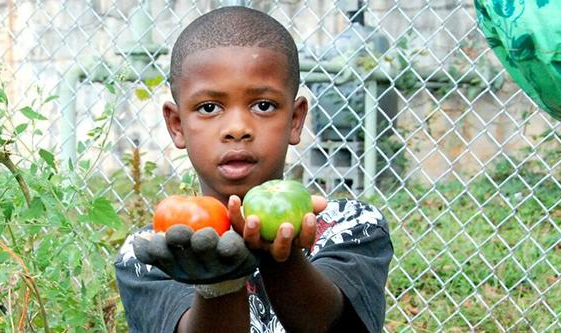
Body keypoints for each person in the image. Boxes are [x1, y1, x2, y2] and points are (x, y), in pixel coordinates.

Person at [113, 6, 393, 333]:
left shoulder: (346, 225)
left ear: (295, 119)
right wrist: (219, 284)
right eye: (209, 107)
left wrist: (280, 257)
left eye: (263, 105)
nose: (237, 128)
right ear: (177, 125)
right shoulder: (159, 249)